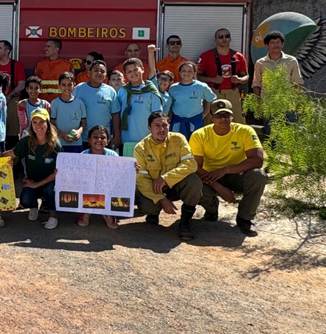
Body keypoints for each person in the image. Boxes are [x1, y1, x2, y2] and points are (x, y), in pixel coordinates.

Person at [190, 99, 268, 237]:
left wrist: (225, 170)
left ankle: (244, 218)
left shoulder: (245, 131)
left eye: (227, 115)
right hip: (209, 177)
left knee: (258, 176)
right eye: (219, 116)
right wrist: (219, 188)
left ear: (232, 116)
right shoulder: (199, 135)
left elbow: (257, 160)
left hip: (236, 175)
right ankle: (211, 209)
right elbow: (195, 166)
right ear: (212, 117)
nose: (223, 119)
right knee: (191, 181)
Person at [134, 112, 203, 240]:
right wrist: (161, 199)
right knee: (147, 205)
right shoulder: (140, 148)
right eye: (157, 125)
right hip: (154, 190)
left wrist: (165, 179)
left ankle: (185, 222)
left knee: (194, 181)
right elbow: (142, 180)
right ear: (149, 128)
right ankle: (153, 214)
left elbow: (190, 164)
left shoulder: (179, 139)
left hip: (175, 186)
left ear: (169, 126)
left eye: (164, 125)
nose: (161, 129)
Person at [6, 107, 62, 230]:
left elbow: (56, 174)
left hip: (49, 182)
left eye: (41, 122)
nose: (38, 126)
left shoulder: (55, 145)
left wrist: (35, 185)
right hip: (31, 180)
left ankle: (53, 215)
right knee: (24, 200)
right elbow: (12, 154)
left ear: (47, 123)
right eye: (35, 122)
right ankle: (33, 206)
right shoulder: (26, 141)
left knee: (51, 190)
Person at [197, 28, 249, 124]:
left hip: (233, 93)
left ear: (230, 39)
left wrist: (239, 79)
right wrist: (213, 80)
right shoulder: (206, 56)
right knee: (211, 121)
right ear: (215, 40)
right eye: (220, 37)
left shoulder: (239, 56)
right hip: (213, 93)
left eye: (227, 36)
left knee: (238, 121)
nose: (224, 39)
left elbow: (246, 77)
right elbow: (196, 76)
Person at [116, 58, 163, 154]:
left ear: (142, 69)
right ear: (125, 74)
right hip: (127, 140)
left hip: (148, 140)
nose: (133, 73)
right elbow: (117, 114)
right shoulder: (122, 91)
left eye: (135, 70)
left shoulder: (151, 91)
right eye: (129, 71)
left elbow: (157, 117)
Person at [79, 125, 121, 230]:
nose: (99, 140)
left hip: (107, 188)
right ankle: (87, 211)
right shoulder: (82, 156)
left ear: (107, 141)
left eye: (103, 137)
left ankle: (108, 212)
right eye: (95, 137)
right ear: (89, 140)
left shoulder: (113, 155)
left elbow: (121, 174)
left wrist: (132, 169)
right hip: (88, 188)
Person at [73, 60, 121, 151]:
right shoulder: (79, 89)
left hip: (102, 139)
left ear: (106, 75)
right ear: (89, 72)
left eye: (102, 71)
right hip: (82, 138)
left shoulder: (110, 91)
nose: (99, 73)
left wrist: (117, 136)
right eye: (96, 70)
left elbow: (116, 115)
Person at [167, 61, 216, 138]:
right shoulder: (173, 88)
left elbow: (210, 99)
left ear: (194, 73)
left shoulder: (201, 86)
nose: (186, 73)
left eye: (190, 71)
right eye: (184, 71)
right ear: (179, 73)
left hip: (195, 120)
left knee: (195, 143)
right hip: (178, 121)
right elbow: (170, 104)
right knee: (177, 144)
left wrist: (205, 113)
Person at [252, 30, 303, 96]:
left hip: (286, 101)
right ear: (267, 45)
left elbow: (297, 82)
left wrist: (296, 102)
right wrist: (257, 103)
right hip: (267, 102)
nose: (275, 45)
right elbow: (256, 84)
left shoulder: (291, 61)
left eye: (278, 42)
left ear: (282, 44)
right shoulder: (260, 63)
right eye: (272, 43)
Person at [50, 71, 85, 153]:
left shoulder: (80, 103)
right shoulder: (55, 103)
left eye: (70, 84)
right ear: (59, 86)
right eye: (63, 85)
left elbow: (83, 123)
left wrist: (79, 132)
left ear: (74, 85)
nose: (67, 87)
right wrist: (62, 134)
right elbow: (52, 123)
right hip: (59, 143)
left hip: (76, 144)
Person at [34, 38, 72, 103]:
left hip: (61, 103)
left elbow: (71, 87)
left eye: (48, 46)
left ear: (56, 49)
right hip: (42, 103)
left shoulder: (67, 66)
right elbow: (34, 85)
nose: (45, 49)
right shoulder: (40, 65)